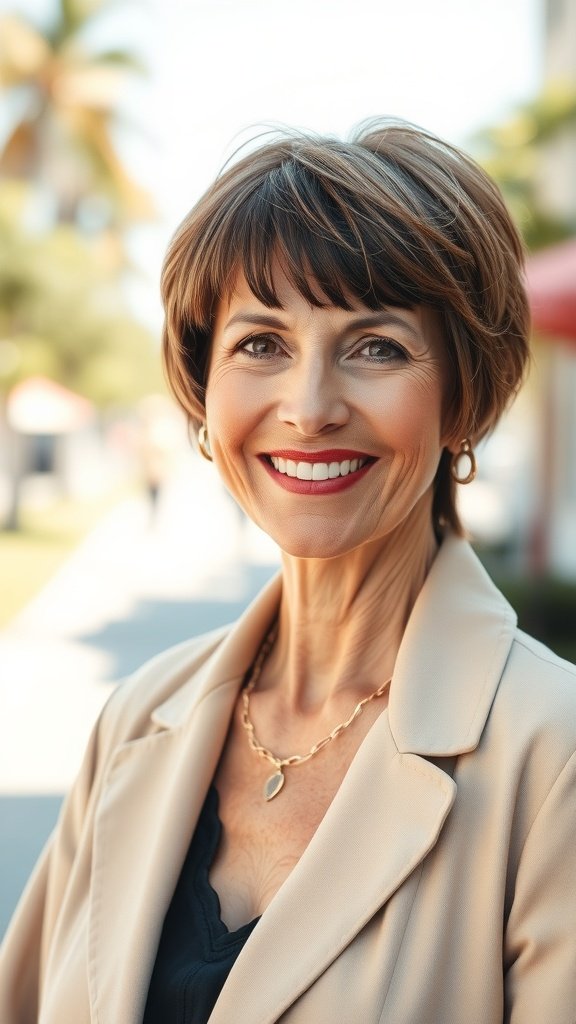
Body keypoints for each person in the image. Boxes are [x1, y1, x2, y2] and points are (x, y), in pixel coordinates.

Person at [1, 118, 575, 1024]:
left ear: (465, 393)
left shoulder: (554, 757)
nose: (308, 409)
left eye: (377, 346)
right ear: (203, 389)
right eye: (260, 344)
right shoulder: (138, 718)